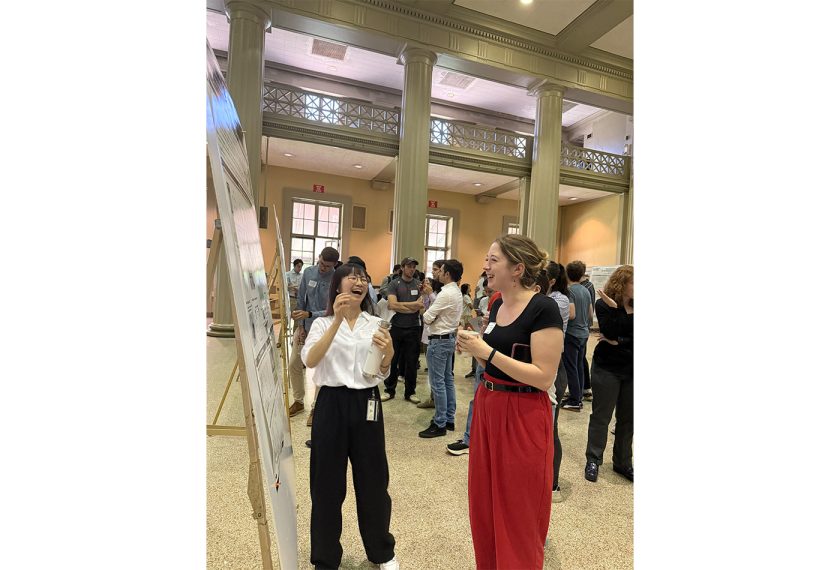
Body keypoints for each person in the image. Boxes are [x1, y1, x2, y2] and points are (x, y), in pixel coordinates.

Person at [457, 234, 564, 570]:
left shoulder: (543, 308)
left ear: (517, 268)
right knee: (485, 500)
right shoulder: (496, 304)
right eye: (486, 259)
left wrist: (487, 352)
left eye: (493, 260)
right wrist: (475, 350)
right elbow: (494, 362)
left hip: (523, 412)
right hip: (488, 404)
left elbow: (543, 376)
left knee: (518, 507)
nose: (485, 266)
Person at [301, 262, 400, 570]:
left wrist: (389, 354)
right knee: (326, 484)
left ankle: (382, 552)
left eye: (363, 278)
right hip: (331, 403)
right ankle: (325, 558)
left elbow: (381, 370)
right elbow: (310, 360)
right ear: (338, 285)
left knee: (374, 481)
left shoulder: (376, 323)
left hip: (367, 402)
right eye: (352, 277)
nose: (359, 282)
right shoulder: (321, 324)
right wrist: (336, 320)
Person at [584, 265, 634, 484]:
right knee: (601, 416)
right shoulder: (603, 304)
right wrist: (615, 309)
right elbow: (609, 332)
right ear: (622, 283)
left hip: (632, 369)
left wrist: (619, 341)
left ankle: (623, 462)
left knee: (628, 419)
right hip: (607, 368)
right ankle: (593, 459)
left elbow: (617, 337)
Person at [445, 289, 501, 457]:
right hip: (488, 356)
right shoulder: (497, 299)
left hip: (496, 361)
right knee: (478, 398)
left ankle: (474, 440)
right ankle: (472, 439)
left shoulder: (530, 304)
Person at [288, 247, 339, 422]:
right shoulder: (309, 272)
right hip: (305, 326)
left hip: (324, 329)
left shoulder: (337, 279)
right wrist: (301, 325)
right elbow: (301, 299)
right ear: (319, 257)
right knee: (294, 363)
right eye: (322, 263)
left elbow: (333, 310)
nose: (323, 268)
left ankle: (316, 407)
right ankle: (298, 401)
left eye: (328, 266)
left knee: (320, 368)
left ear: (334, 265)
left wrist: (310, 314)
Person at [419, 259, 464, 438]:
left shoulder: (446, 294)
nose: (437, 273)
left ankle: (440, 423)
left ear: (447, 274)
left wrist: (432, 316)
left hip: (438, 341)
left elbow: (427, 317)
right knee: (447, 380)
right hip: (449, 338)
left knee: (438, 383)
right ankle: (449, 419)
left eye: (441, 270)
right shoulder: (456, 291)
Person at [546, 261, 571, 501]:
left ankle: (553, 484)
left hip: (555, 365)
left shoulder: (558, 300)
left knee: (550, 427)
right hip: (544, 363)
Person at [383, 257, 424, 402]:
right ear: (402, 267)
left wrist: (402, 306)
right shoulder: (394, 284)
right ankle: (389, 390)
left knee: (412, 362)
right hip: (396, 327)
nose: (412, 269)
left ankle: (410, 392)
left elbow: (421, 308)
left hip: (413, 327)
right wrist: (412, 306)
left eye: (414, 267)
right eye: (409, 266)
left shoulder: (419, 285)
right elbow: (392, 305)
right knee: (392, 359)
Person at [560, 260, 593, 412]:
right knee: (579, 365)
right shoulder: (586, 290)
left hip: (572, 333)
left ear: (567, 274)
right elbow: (590, 313)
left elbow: (571, 314)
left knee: (571, 367)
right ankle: (578, 395)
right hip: (584, 333)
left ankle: (574, 400)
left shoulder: (569, 291)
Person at [580, 269, 597, 400]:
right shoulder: (588, 286)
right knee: (581, 358)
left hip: (581, 328)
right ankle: (584, 388)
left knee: (580, 359)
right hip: (584, 328)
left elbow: (589, 310)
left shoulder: (585, 287)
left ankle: (584, 388)